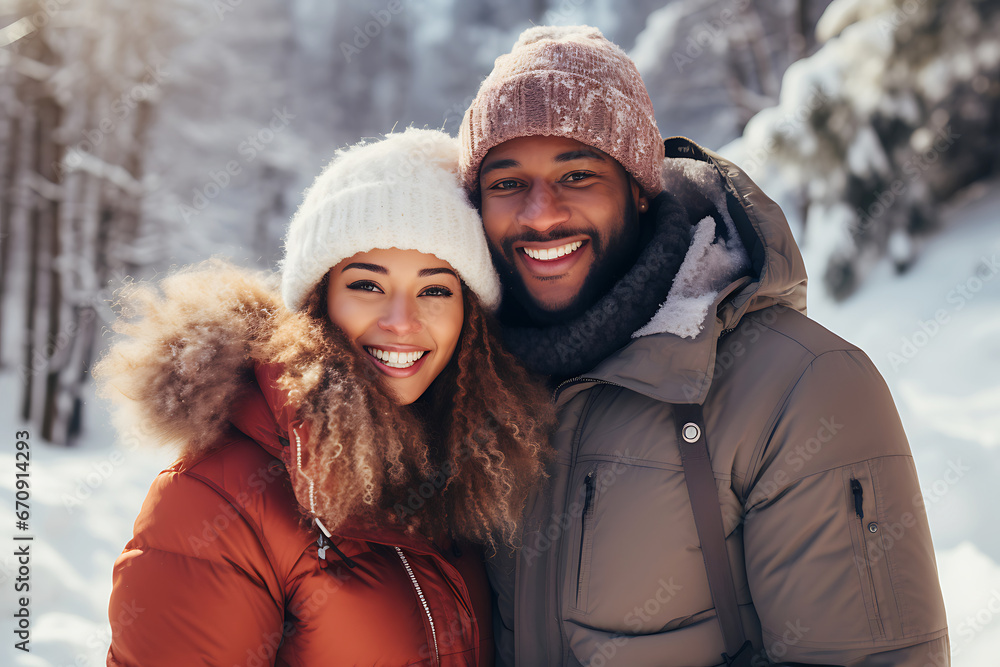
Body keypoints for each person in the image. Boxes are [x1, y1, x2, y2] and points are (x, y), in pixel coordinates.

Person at [458, 25, 949, 666]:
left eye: (577, 174)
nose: (541, 213)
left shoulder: (803, 387)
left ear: (639, 187)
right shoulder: (477, 391)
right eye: (506, 183)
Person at [95, 128, 554, 666]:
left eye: (435, 289)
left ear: (470, 320)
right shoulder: (217, 500)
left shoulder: (469, 480)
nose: (402, 322)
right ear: (319, 303)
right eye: (367, 285)